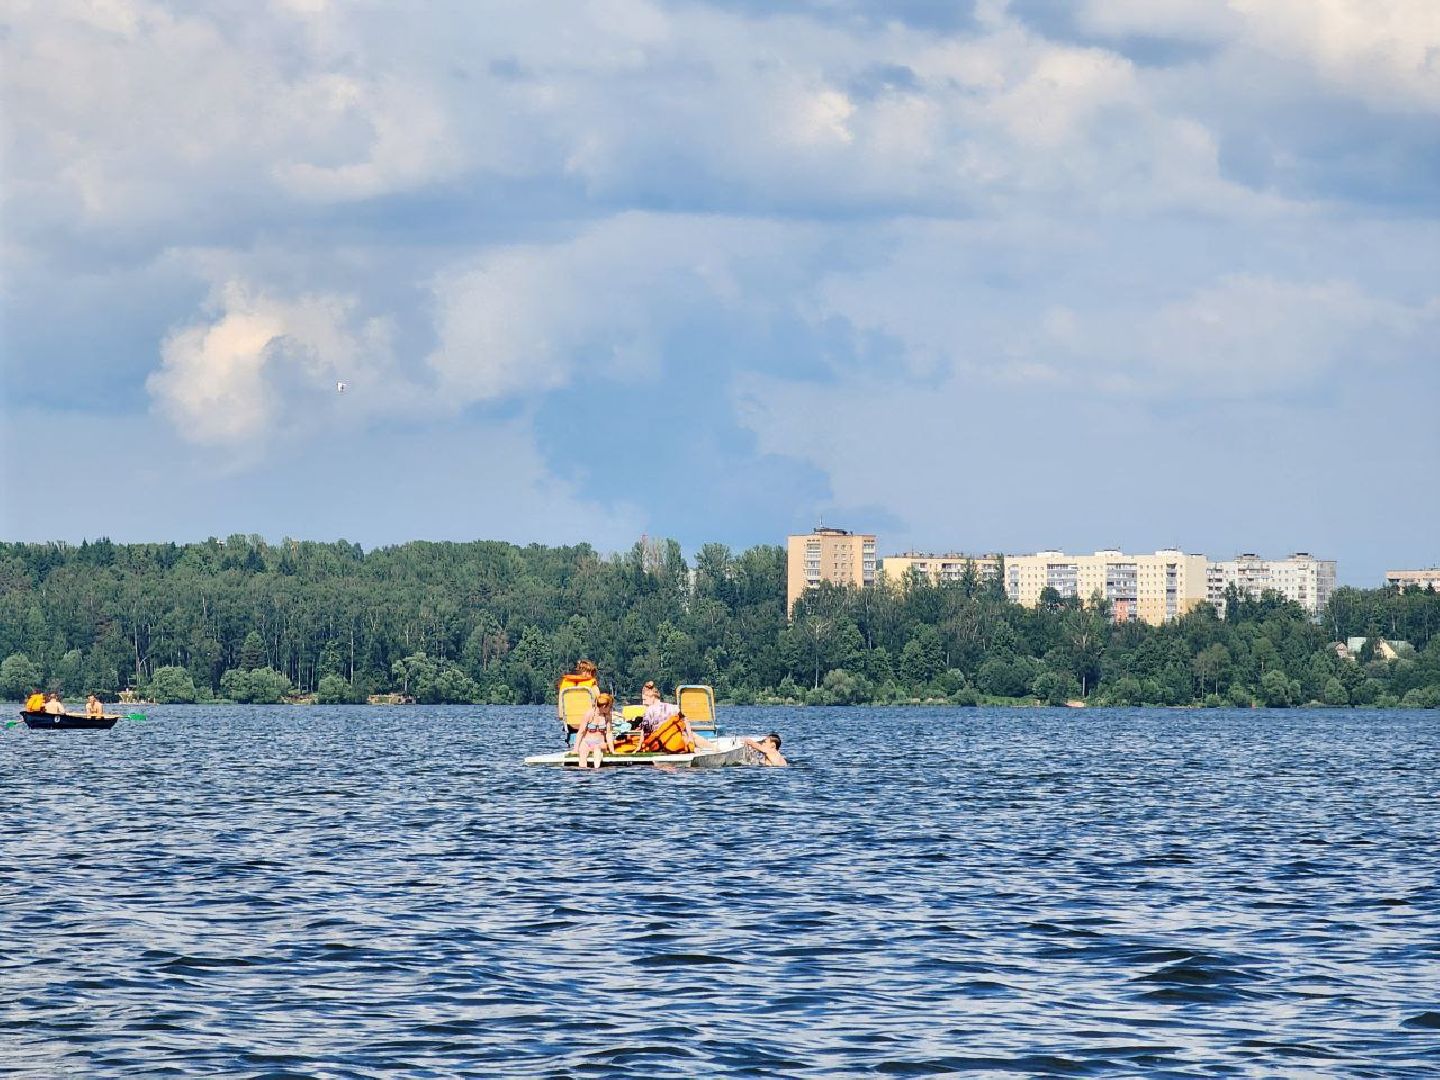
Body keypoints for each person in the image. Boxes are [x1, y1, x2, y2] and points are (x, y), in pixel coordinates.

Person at [573, 692, 617, 769]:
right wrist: (575, 749)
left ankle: (596, 771)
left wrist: (612, 750)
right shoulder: (589, 714)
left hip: (600, 743)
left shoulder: (607, 716)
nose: (610, 709)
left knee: (597, 748)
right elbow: (581, 732)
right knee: (583, 750)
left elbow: (609, 734)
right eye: (610, 707)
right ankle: (583, 772)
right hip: (587, 741)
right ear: (604, 706)